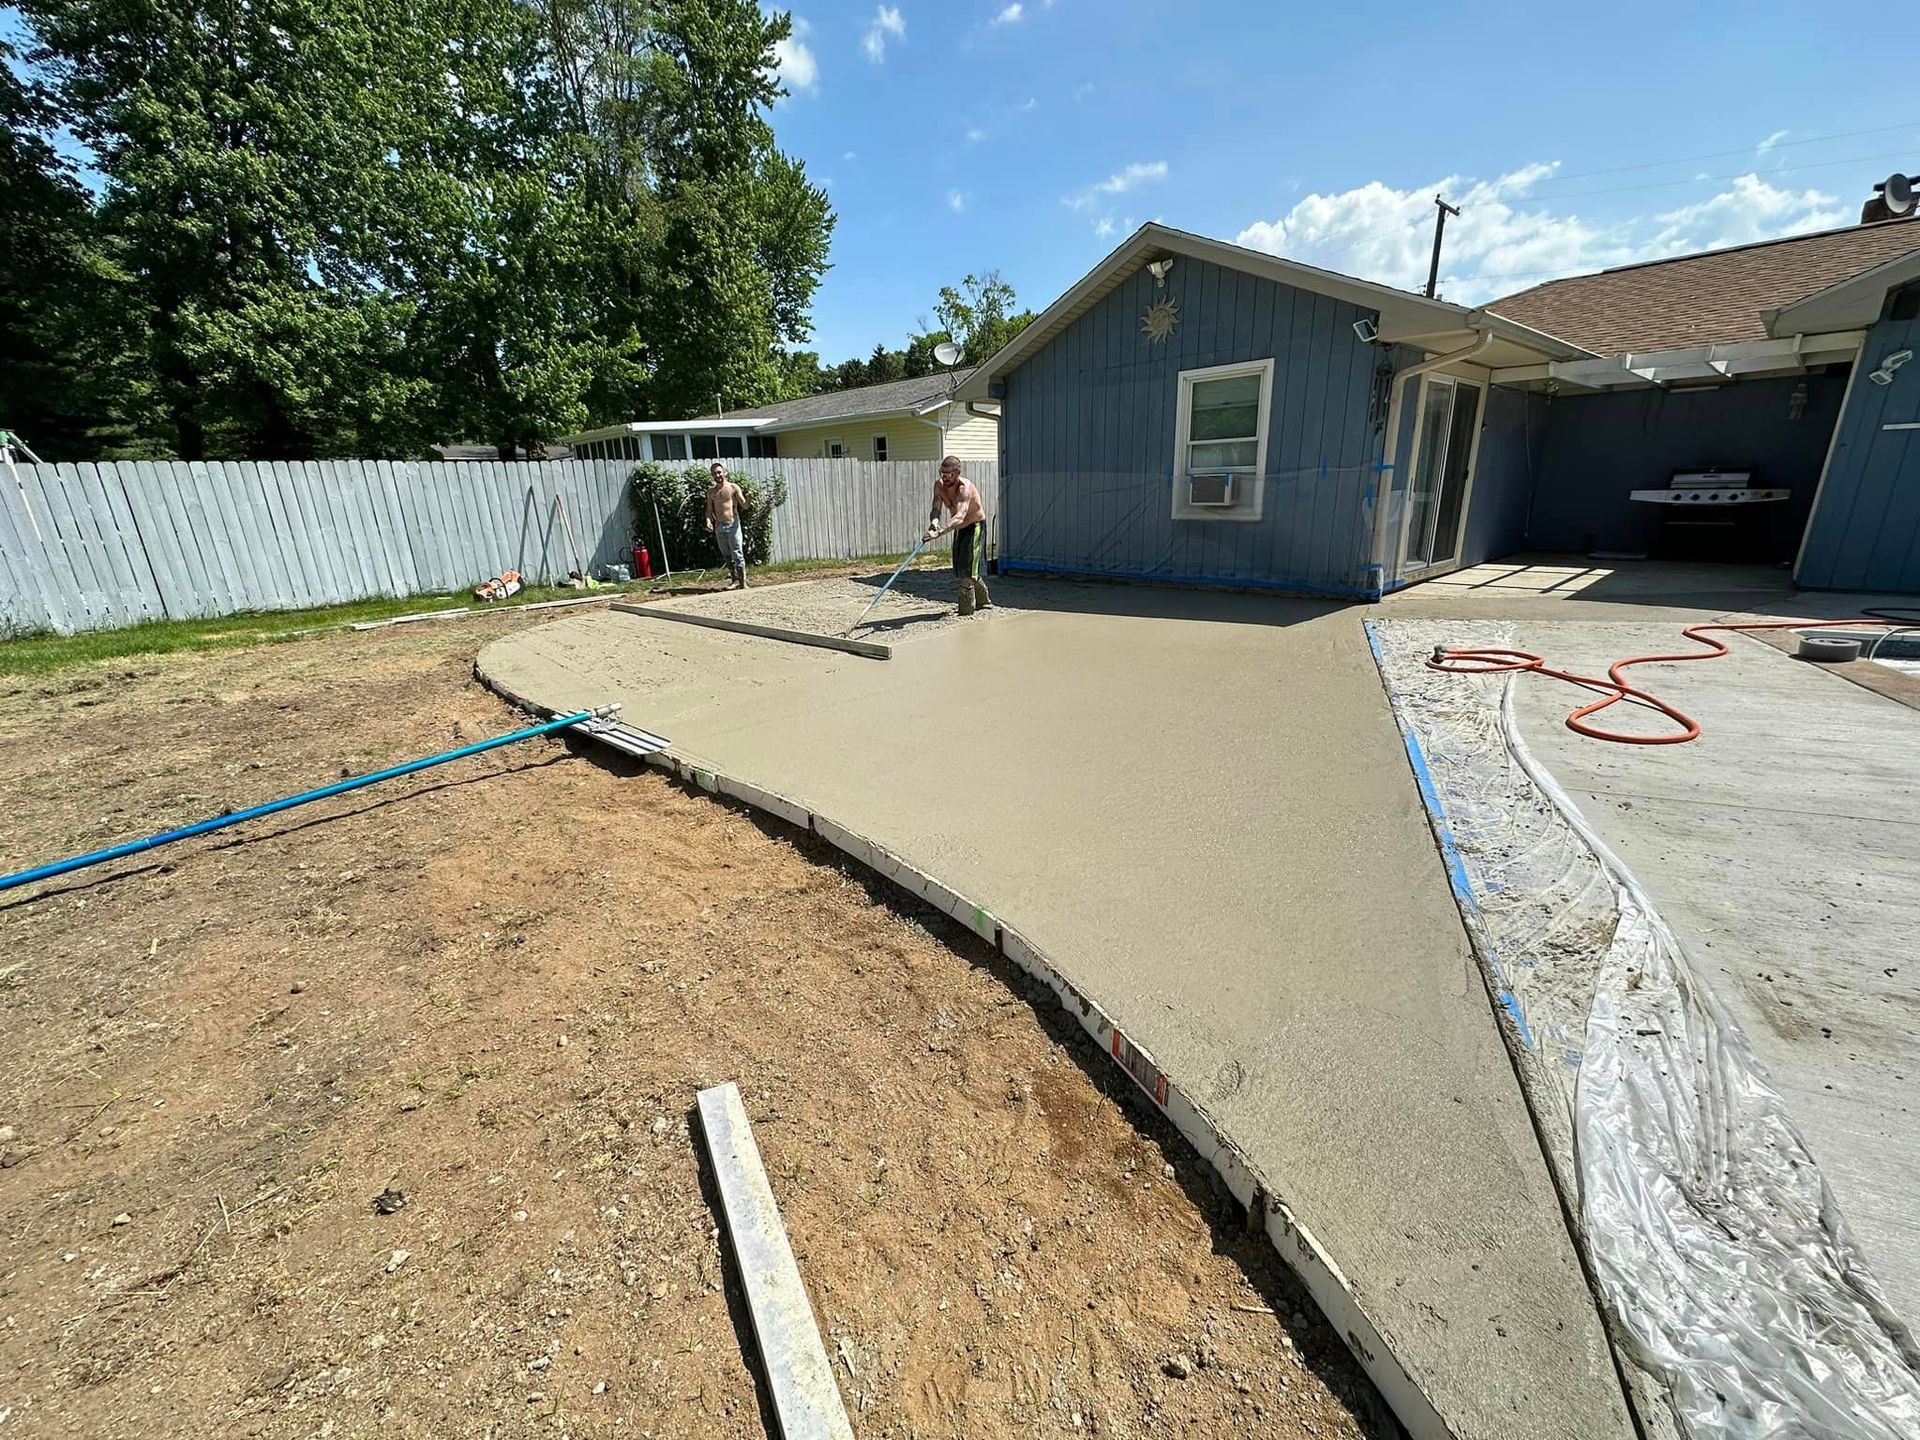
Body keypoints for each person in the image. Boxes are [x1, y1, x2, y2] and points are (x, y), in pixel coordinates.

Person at [924, 455, 992, 616]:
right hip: (958, 528)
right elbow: (936, 508)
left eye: (948, 474)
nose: (944, 478)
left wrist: (940, 532)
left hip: (974, 526)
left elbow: (960, 516)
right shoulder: (939, 485)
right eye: (942, 473)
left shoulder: (964, 488)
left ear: (957, 472)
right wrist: (934, 522)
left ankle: (966, 611)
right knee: (962, 569)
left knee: (968, 571)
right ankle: (984, 601)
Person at [704, 462, 752, 589]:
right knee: (726, 554)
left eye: (719, 472)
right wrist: (708, 522)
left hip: (733, 525)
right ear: (712, 475)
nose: (717, 475)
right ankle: (734, 580)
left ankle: (743, 583)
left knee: (737, 553)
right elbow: (709, 511)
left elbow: (744, 505)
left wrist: (749, 500)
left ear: (724, 472)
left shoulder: (733, 487)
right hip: (719, 526)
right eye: (714, 473)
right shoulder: (711, 492)